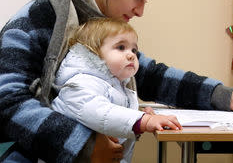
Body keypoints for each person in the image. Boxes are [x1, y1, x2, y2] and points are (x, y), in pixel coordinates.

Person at [0, 0, 233, 163]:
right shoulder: (37, 19)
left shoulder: (100, 29)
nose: (140, 11)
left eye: (146, 0)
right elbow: (9, 102)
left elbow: (151, 74)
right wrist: (83, 144)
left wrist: (223, 95)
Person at [52, 17, 182, 163]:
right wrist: (144, 121)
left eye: (134, 49)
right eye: (121, 47)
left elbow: (113, 112)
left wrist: (139, 114)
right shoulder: (80, 83)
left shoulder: (115, 85)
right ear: (93, 52)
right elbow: (101, 112)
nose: (131, 55)